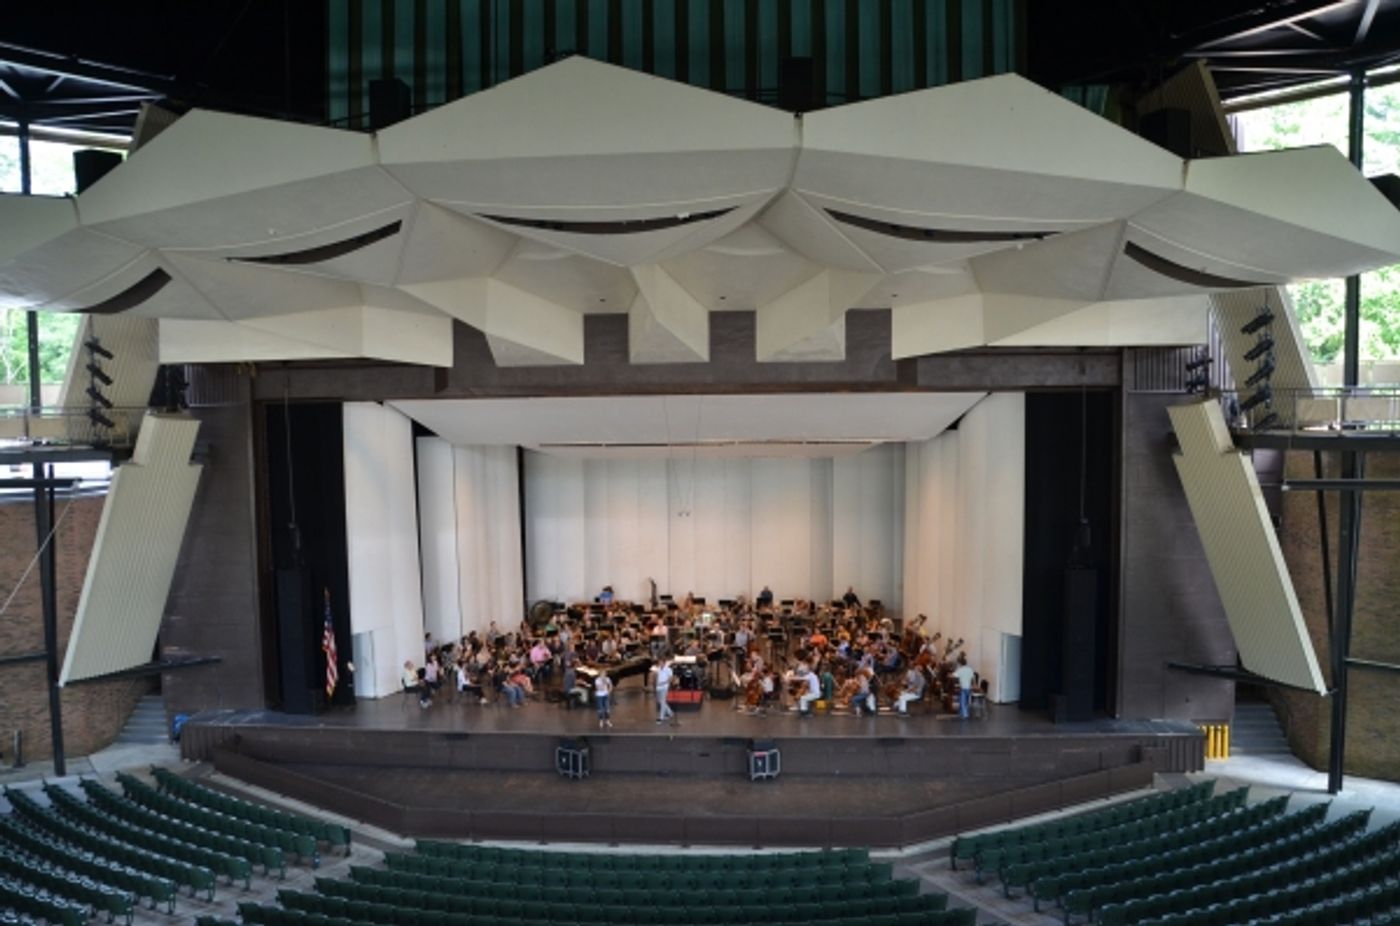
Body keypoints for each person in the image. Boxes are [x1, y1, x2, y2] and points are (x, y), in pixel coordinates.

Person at [953, 654, 977, 719]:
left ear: (960, 664)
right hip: (969, 687)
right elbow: (973, 678)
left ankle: (965, 714)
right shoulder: (970, 669)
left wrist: (950, 674)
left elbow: (954, 675)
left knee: (962, 701)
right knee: (966, 701)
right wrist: (974, 685)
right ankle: (962, 712)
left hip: (963, 687)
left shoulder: (960, 669)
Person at [655, 658, 677, 726]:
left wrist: (663, 683)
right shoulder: (658, 669)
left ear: (664, 663)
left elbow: (670, 679)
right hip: (658, 687)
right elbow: (657, 677)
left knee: (662, 702)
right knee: (660, 701)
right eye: (659, 662)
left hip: (664, 687)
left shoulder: (668, 669)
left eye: (661, 662)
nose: (660, 663)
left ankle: (661, 717)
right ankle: (670, 713)